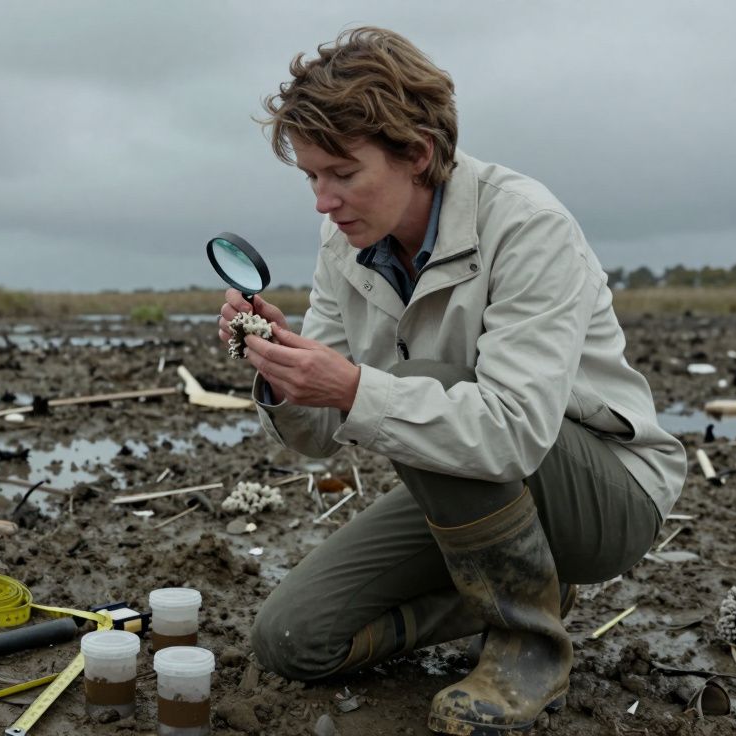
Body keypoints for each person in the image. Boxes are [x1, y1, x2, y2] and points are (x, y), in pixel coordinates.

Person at [217, 27, 687, 736]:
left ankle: (529, 648)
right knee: (292, 639)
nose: (323, 201)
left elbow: (511, 435)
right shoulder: (343, 244)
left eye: (342, 173)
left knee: (426, 380)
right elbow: (318, 437)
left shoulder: (527, 224)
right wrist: (282, 370)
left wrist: (353, 388)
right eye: (311, 177)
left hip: (603, 496)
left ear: (418, 153)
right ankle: (528, 589)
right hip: (471, 488)